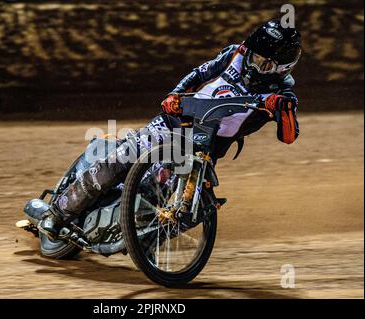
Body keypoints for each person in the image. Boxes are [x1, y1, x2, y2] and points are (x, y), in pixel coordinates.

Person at [38, 19, 302, 240]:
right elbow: (200, 73)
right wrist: (175, 94)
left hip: (202, 151)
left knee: (183, 209)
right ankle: (57, 214)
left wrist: (284, 110)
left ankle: (143, 246)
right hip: (170, 125)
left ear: (282, 68)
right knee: (118, 161)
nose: (253, 65)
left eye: (263, 63)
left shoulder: (283, 92)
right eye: (253, 56)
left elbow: (289, 136)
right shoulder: (236, 54)